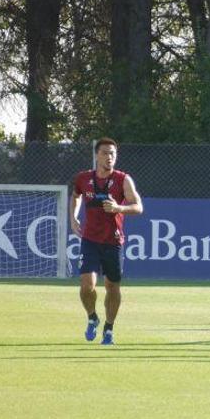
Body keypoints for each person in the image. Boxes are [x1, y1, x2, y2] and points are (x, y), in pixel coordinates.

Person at [70, 137, 143, 345]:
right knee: (87, 286)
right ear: (96, 155)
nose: (109, 157)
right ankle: (92, 317)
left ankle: (109, 329)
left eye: (113, 154)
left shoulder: (123, 179)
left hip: (113, 241)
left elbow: (138, 207)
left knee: (112, 287)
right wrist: (73, 217)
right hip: (90, 240)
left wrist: (119, 208)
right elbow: (75, 196)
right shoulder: (83, 178)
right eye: (105, 153)